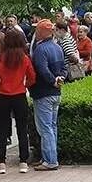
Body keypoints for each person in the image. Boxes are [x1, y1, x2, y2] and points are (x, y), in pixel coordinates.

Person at [0, 30, 36, 175]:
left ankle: (1, 162)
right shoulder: (24, 57)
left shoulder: (0, 58)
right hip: (20, 95)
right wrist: (24, 85)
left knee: (2, 129)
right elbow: (32, 77)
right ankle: (23, 162)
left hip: (3, 96)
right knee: (22, 129)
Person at [30, 20, 66, 171]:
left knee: (45, 128)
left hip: (43, 92)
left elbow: (42, 69)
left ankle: (50, 160)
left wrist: (52, 81)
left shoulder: (40, 49)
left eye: (37, 30)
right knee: (52, 126)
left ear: (42, 32)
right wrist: (60, 79)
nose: (35, 33)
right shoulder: (57, 47)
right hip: (56, 92)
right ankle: (49, 157)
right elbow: (64, 67)